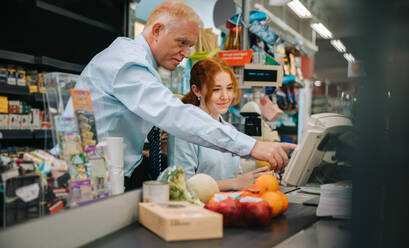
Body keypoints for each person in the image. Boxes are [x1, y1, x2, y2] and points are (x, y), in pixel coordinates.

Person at [64, 1, 296, 191]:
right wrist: (251, 145)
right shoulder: (127, 62)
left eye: (190, 46)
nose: (185, 54)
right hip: (91, 180)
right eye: (181, 42)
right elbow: (174, 114)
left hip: (112, 174)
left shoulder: (137, 62)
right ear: (157, 30)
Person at [167, 58, 273, 191]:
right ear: (197, 90)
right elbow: (181, 187)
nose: (225, 96)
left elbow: (235, 175)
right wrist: (236, 182)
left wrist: (258, 179)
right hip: (199, 210)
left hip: (228, 205)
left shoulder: (229, 130)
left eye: (229, 88)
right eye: (216, 89)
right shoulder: (183, 131)